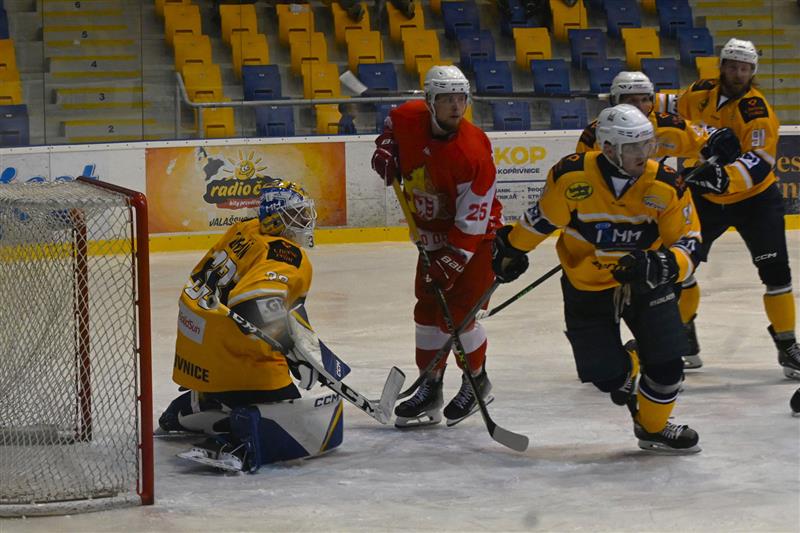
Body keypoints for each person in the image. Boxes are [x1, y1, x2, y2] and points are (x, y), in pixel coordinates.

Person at [492, 104, 703, 453]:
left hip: (646, 284)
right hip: (586, 283)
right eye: (633, 147)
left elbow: (689, 242)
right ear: (607, 148)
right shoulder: (572, 177)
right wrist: (511, 249)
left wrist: (663, 264)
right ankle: (629, 366)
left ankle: (653, 428)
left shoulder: (666, 184)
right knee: (607, 378)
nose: (644, 153)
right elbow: (542, 220)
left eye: (647, 144)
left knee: (667, 365)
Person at [158, 179, 345, 472]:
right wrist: (293, 351)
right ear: (277, 219)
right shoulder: (286, 253)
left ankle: (193, 405)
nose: (305, 221)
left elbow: (275, 306)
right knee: (290, 418)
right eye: (296, 214)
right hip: (234, 357)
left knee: (249, 382)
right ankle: (236, 443)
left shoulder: (244, 229)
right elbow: (252, 303)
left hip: (195, 347)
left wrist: (302, 348)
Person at [370, 65, 504, 428]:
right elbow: (391, 125)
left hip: (476, 241)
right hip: (430, 236)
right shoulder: (409, 116)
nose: (456, 106)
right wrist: (386, 145)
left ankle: (477, 382)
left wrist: (453, 259)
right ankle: (430, 387)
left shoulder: (473, 151)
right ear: (430, 101)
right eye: (446, 99)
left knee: (457, 318)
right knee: (427, 314)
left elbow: (473, 219)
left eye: (461, 98)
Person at [675, 38, 800, 376]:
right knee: (679, 265)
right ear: (723, 66)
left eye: (744, 68)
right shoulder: (699, 92)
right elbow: (671, 112)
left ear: (752, 71)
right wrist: (636, 98)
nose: (738, 73)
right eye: (732, 66)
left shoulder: (756, 110)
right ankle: (681, 338)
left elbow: (759, 162)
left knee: (776, 274)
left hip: (755, 201)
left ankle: (787, 345)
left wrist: (719, 177)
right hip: (705, 200)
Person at [576, 71, 708, 160]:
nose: (639, 106)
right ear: (615, 101)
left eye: (645, 99)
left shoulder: (671, 126)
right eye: (631, 100)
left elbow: (707, 147)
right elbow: (585, 172)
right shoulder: (594, 134)